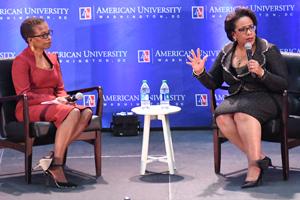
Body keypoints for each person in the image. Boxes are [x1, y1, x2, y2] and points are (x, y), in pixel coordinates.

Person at [187, 7, 288, 188]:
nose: (249, 33)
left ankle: (254, 168)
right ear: (233, 34)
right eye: (243, 29)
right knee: (222, 117)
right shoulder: (227, 52)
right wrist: (200, 72)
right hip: (238, 98)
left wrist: (262, 73)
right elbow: (214, 83)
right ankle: (259, 158)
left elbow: (283, 84)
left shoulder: (268, 50)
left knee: (242, 115)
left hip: (266, 97)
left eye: (251, 27)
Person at [12, 17, 93, 188]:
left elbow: (60, 88)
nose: (49, 37)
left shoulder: (53, 59)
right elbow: (24, 94)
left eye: (49, 33)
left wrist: (65, 99)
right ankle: (56, 165)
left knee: (85, 112)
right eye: (43, 35)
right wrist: (54, 100)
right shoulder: (21, 61)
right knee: (73, 112)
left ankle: (52, 158)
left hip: (54, 104)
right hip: (29, 107)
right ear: (30, 40)